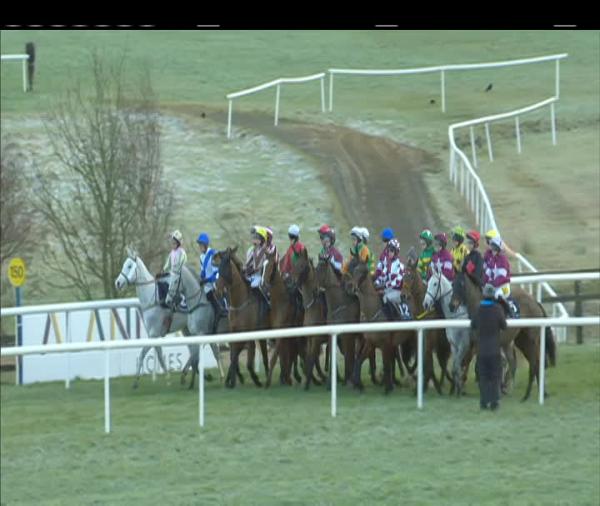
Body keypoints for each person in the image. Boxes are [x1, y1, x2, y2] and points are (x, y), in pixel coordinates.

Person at [471, 283, 506, 411]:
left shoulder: (478, 309)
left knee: (483, 377)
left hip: (481, 350)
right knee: (495, 376)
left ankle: (484, 402)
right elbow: (504, 325)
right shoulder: (498, 309)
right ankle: (494, 402)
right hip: (494, 350)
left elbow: (473, 325)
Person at [196, 232, 227, 317]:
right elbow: (203, 271)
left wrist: (207, 280)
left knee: (213, 294)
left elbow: (216, 273)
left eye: (201, 244)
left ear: (206, 245)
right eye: (199, 245)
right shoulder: (201, 256)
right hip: (206, 283)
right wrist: (200, 279)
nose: (200, 247)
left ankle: (221, 309)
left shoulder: (213, 254)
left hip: (215, 281)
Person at [484, 236, 515, 317]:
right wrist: (483, 282)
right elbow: (487, 274)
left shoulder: (503, 260)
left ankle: (510, 312)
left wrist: (492, 283)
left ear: (497, 247)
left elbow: (502, 277)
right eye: (491, 245)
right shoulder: (492, 259)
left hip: (504, 287)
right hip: (494, 286)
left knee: (497, 295)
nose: (491, 247)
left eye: (493, 246)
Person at [374, 238, 405, 311]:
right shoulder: (388, 264)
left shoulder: (400, 266)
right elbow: (383, 276)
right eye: (388, 250)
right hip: (389, 289)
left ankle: (395, 316)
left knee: (386, 298)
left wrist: (385, 285)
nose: (389, 252)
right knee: (377, 295)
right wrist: (376, 282)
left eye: (391, 251)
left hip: (398, 291)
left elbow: (397, 282)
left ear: (396, 252)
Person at [162, 230, 187, 307]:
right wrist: (164, 269)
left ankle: (183, 298)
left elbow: (183, 262)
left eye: (174, 243)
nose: (173, 245)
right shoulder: (172, 253)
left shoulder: (181, 252)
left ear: (178, 244)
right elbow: (168, 262)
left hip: (179, 274)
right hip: (172, 273)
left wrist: (179, 269)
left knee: (177, 285)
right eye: (172, 243)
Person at [244, 226, 270, 301]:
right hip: (250, 275)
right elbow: (247, 263)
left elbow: (263, 266)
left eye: (257, 238)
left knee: (254, 286)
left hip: (259, 276)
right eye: (254, 237)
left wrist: (254, 270)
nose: (254, 240)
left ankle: (264, 303)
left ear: (261, 239)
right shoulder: (250, 250)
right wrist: (245, 269)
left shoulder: (265, 251)